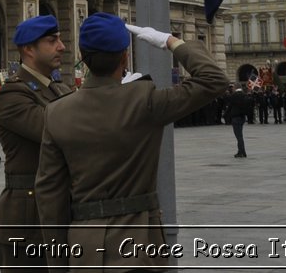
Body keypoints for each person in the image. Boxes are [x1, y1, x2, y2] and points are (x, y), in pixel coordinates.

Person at [34, 14, 227, 268]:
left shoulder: (56, 112)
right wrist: (171, 41)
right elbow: (214, 80)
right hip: (139, 245)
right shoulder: (145, 101)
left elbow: (49, 196)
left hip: (84, 248)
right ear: (124, 56)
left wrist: (59, 263)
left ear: (83, 54)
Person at [0, 14, 74, 271]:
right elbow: (58, 131)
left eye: (59, 40)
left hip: (62, 213)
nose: (61, 46)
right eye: (52, 41)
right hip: (28, 222)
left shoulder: (59, 89)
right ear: (29, 49)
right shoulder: (13, 94)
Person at [225, 84, 252, 158]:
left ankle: (242, 152)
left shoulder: (234, 96)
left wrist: (226, 115)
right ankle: (240, 151)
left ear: (235, 88)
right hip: (242, 117)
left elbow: (229, 104)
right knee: (239, 135)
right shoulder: (244, 95)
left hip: (236, 117)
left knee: (239, 136)